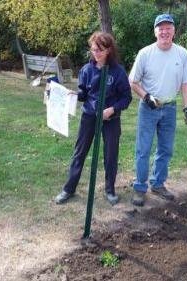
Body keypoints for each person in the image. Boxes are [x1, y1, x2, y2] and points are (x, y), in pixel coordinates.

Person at [54, 31, 132, 205]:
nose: (95, 53)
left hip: (110, 119)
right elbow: (84, 93)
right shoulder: (86, 69)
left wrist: (112, 109)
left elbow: (127, 98)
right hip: (89, 116)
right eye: (93, 49)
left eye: (99, 50)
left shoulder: (118, 72)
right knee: (79, 153)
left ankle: (110, 190)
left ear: (109, 50)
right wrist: (73, 94)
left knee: (111, 154)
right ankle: (69, 189)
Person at [129, 14, 187, 206]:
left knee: (165, 149)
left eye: (168, 28)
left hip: (170, 108)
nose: (165, 31)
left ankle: (157, 183)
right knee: (144, 149)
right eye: (161, 28)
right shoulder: (145, 53)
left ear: (174, 31)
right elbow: (132, 81)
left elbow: (185, 82)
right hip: (149, 107)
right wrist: (146, 96)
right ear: (155, 31)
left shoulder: (181, 54)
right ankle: (140, 187)